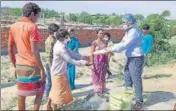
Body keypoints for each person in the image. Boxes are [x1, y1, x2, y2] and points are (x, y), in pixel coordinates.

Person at [93, 14, 145, 110]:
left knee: (136, 79)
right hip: (130, 57)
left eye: (124, 22)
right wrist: (110, 48)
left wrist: (109, 50)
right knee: (127, 77)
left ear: (130, 22)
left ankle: (139, 101)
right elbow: (121, 43)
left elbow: (125, 45)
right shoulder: (128, 31)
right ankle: (127, 97)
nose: (122, 24)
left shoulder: (133, 31)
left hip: (136, 57)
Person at [8, 2, 45, 110]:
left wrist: (15, 65)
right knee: (41, 89)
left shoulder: (13, 27)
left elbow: (10, 49)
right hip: (32, 66)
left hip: (20, 65)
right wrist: (42, 69)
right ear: (32, 14)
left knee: (21, 95)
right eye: (37, 15)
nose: (37, 18)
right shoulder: (32, 27)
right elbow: (34, 51)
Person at [46, 29, 91, 110]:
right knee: (58, 93)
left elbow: (71, 52)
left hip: (60, 71)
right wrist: (83, 63)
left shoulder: (62, 44)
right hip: (58, 73)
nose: (68, 39)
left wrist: (82, 56)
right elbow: (70, 59)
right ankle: (54, 107)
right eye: (67, 37)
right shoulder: (60, 48)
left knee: (54, 90)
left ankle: (49, 106)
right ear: (61, 38)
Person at [44, 23, 59, 99]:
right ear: (53, 32)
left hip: (53, 63)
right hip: (50, 64)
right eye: (57, 31)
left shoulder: (54, 39)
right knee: (50, 82)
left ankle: (51, 97)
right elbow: (49, 56)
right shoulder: (50, 41)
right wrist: (51, 67)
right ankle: (46, 97)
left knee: (53, 82)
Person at [91, 29, 108, 94]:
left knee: (103, 75)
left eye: (102, 33)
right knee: (96, 75)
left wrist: (108, 61)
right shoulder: (94, 43)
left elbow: (107, 51)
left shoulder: (105, 42)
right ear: (97, 34)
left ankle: (102, 89)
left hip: (104, 61)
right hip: (96, 62)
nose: (101, 35)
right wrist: (92, 64)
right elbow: (91, 53)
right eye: (100, 33)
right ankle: (97, 90)